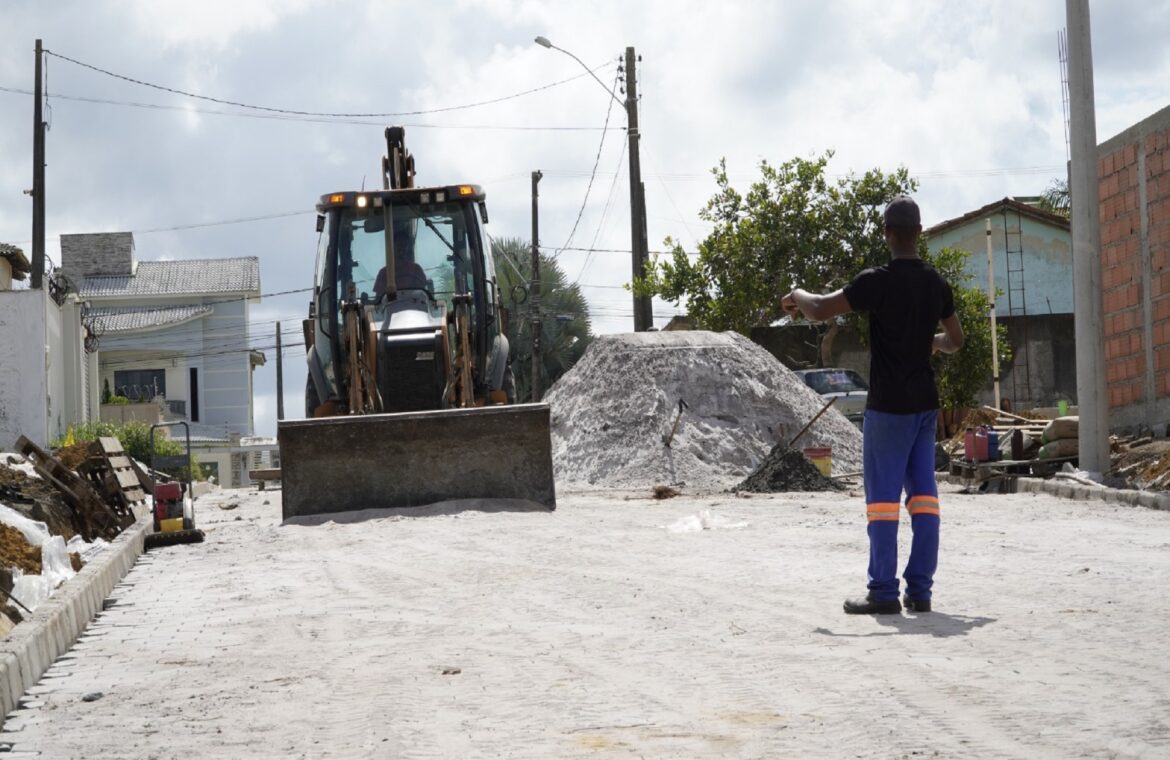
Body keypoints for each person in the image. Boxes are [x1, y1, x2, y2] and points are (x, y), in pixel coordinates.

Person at [781, 195, 964, 615]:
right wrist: (930, 343)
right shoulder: (937, 284)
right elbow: (956, 341)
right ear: (920, 233)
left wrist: (796, 292)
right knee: (924, 498)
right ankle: (920, 591)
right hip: (924, 407)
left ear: (887, 234)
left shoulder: (876, 281)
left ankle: (882, 592)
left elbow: (821, 309)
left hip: (888, 408)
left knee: (882, 500)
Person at [373, 227, 427, 297]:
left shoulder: (416, 270)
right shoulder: (384, 273)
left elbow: (423, 295)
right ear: (392, 247)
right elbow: (379, 300)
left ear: (408, 248)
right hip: (391, 307)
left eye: (405, 245)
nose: (402, 249)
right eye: (399, 245)